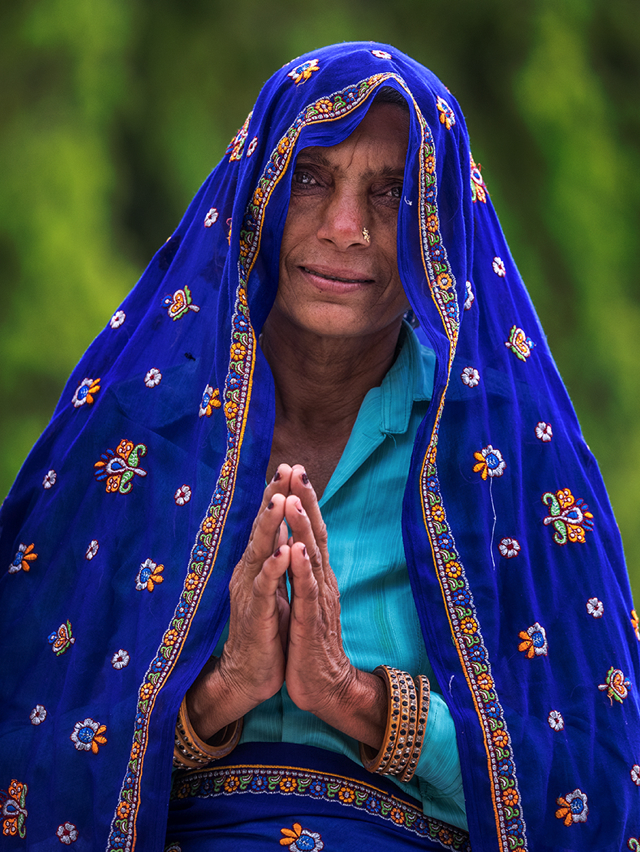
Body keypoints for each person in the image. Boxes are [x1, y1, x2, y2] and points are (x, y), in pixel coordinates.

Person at [0, 42, 638, 852]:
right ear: (254, 196)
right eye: (311, 179)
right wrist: (219, 692)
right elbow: (28, 737)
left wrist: (355, 699)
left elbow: (591, 776)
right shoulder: (138, 435)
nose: (346, 229)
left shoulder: (503, 460)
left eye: (391, 193)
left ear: (439, 229)